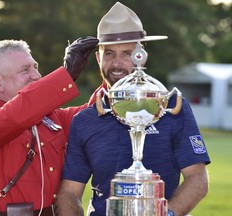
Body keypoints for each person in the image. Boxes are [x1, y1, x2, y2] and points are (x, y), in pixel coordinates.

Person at [55, 2, 210, 216]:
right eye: (109, 54)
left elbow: (198, 179)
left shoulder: (172, 107)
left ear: (141, 56)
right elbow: (69, 192)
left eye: (126, 53)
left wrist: (167, 214)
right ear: (98, 58)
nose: (117, 63)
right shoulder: (85, 120)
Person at [0, 37, 98, 215]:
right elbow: (12, 117)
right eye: (25, 70)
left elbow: (94, 111)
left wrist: (115, 71)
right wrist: (66, 75)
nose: (37, 76)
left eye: (35, 67)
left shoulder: (51, 117)